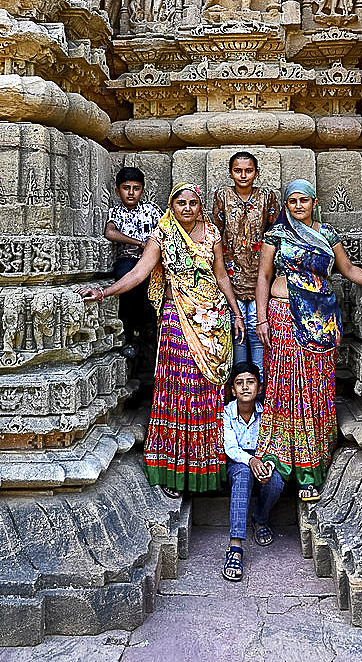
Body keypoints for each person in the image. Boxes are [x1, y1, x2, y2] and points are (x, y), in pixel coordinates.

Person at [81, 183, 245, 497]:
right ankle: (176, 470)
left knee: (209, 393)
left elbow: (222, 276)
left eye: (193, 203)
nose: (187, 208)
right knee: (178, 390)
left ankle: (207, 468)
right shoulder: (163, 235)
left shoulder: (212, 235)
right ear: (172, 205)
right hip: (176, 320)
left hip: (212, 323)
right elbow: (140, 272)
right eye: (180, 203)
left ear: (200, 207)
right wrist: (104, 292)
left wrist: (236, 312)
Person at [255, 179, 362, 502]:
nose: (297, 206)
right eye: (291, 201)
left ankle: (311, 467)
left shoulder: (327, 235)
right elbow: (263, 277)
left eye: (303, 201)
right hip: (281, 316)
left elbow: (347, 269)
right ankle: (278, 457)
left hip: (320, 321)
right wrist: (261, 318)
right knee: (283, 384)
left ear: (314, 201)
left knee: (314, 389)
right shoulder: (276, 235)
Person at [212, 152, 279, 382]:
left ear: (256, 173)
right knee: (237, 329)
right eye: (238, 170)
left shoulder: (267, 197)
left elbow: (274, 233)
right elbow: (216, 234)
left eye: (248, 170)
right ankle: (240, 387)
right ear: (231, 173)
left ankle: (260, 387)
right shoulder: (222, 195)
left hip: (261, 273)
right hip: (231, 273)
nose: (243, 175)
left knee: (257, 328)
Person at [222, 361, 284, 583]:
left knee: (276, 482)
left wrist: (268, 465)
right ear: (232, 390)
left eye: (251, 382)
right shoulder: (227, 413)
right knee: (243, 475)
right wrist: (251, 461)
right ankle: (235, 546)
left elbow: (276, 443)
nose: (245, 387)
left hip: (263, 457)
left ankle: (260, 519)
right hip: (239, 460)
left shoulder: (266, 412)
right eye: (239, 383)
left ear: (259, 387)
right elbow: (230, 449)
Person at [104, 166, 161, 370]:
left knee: (149, 287)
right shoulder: (115, 212)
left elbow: (165, 229)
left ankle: (147, 334)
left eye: (136, 188)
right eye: (126, 188)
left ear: (142, 191)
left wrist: (151, 246)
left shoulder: (151, 210)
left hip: (150, 260)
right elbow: (110, 232)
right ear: (118, 191)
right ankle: (130, 334)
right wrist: (138, 242)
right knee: (125, 281)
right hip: (128, 259)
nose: (131, 192)